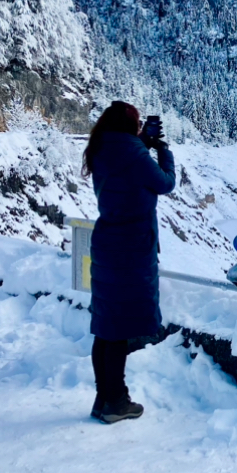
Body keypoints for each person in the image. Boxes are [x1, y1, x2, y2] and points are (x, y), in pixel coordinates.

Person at [81, 101, 176, 424]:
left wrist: (141, 143)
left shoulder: (100, 147)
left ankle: (103, 398)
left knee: (106, 327)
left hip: (106, 245)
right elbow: (165, 182)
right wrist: (163, 151)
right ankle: (116, 401)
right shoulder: (135, 154)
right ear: (131, 126)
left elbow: (126, 170)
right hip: (131, 250)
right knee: (118, 330)